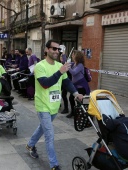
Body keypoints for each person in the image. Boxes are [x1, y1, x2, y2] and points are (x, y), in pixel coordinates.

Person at [26, 39, 83, 170]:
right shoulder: (40, 66)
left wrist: (76, 94)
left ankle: (30, 145)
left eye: (58, 49)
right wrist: (60, 71)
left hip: (54, 106)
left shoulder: (59, 65)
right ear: (47, 50)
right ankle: (54, 164)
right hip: (43, 106)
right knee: (49, 134)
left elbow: (67, 82)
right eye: (54, 48)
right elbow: (45, 83)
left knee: (42, 128)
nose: (57, 51)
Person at [66, 50, 90, 118]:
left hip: (81, 86)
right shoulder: (74, 64)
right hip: (75, 86)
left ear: (77, 56)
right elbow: (65, 63)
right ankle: (73, 112)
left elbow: (73, 72)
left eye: (73, 55)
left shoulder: (80, 65)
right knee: (71, 98)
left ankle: (83, 114)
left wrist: (68, 67)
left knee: (82, 100)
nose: (72, 56)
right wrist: (64, 57)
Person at [59, 46, 72, 114]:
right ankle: (59, 105)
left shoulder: (66, 63)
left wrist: (63, 53)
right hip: (61, 82)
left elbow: (64, 61)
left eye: (61, 57)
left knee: (64, 95)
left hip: (66, 81)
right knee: (59, 93)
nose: (60, 58)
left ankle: (66, 109)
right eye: (60, 57)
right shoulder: (59, 63)